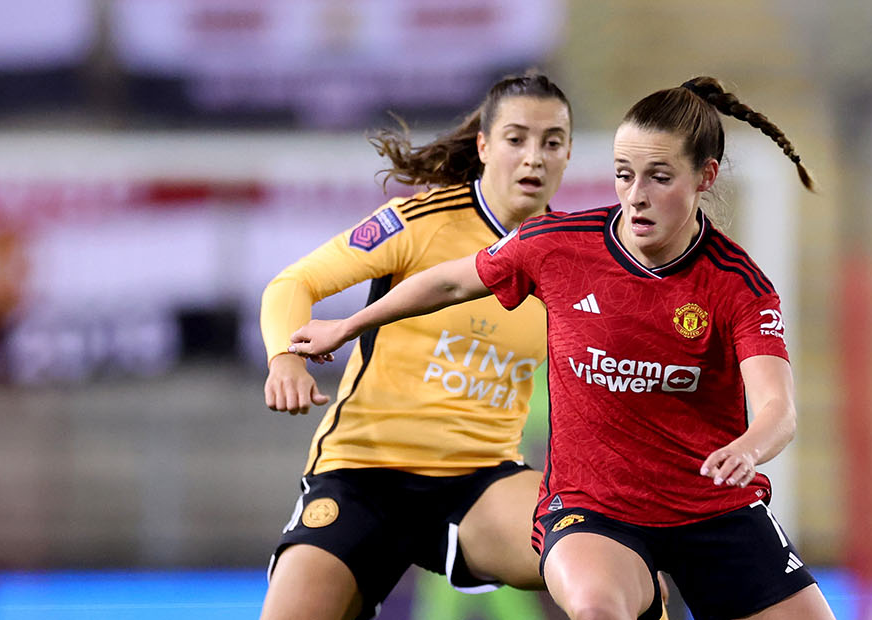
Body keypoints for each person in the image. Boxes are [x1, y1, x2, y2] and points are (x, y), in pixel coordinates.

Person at [288, 76, 836, 620]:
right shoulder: (559, 246)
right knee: (598, 607)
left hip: (711, 510)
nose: (636, 196)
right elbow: (450, 282)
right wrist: (348, 324)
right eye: (624, 175)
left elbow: (777, 408)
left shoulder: (739, 283)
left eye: (659, 177)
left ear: (705, 177)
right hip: (595, 510)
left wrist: (748, 448)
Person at [258, 73, 572, 620]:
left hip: (481, 483)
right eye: (517, 139)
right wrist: (284, 357)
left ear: (569, 153)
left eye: (552, 142)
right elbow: (294, 284)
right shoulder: (422, 221)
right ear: (484, 145)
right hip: (362, 472)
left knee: (620, 571)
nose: (534, 159)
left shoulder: (576, 256)